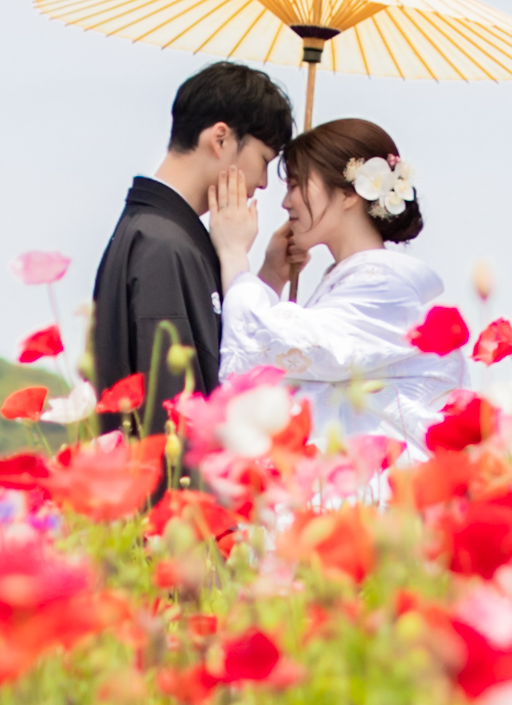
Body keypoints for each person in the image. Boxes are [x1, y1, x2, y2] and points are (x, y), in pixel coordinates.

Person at [224, 115, 475, 448]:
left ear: (348, 194)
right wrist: (270, 275)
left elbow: (290, 346)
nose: (286, 202)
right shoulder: (358, 279)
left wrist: (233, 254)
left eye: (296, 185)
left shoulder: (385, 284)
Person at [87, 60, 292, 444]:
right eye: (264, 160)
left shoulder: (158, 233)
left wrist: (269, 276)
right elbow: (174, 411)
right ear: (220, 140)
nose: (263, 183)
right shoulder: (163, 246)